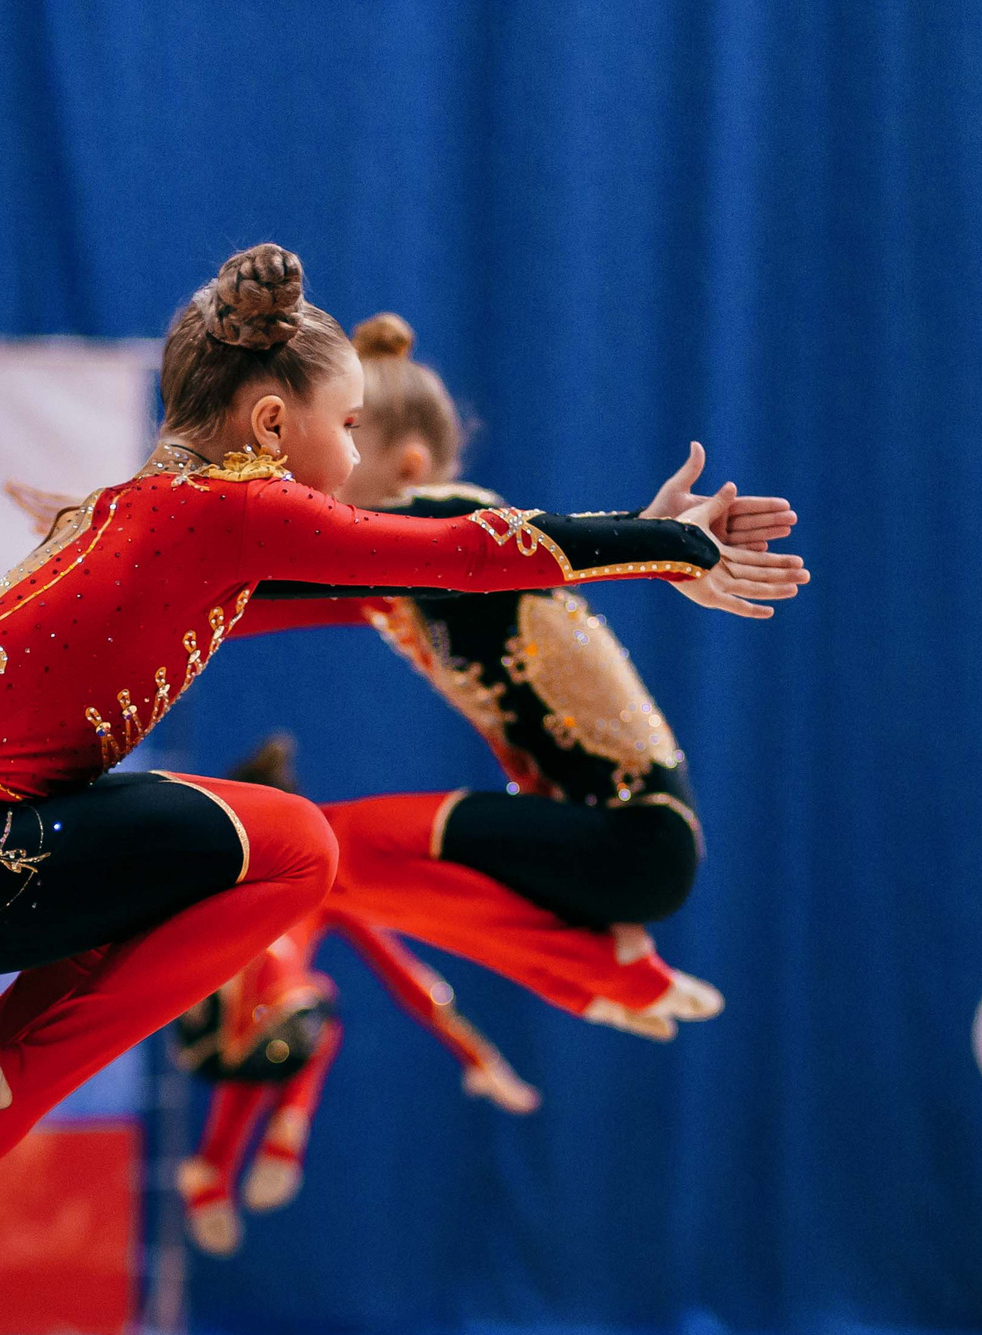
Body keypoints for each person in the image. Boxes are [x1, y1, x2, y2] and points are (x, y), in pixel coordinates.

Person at [0, 242, 805, 1223]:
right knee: (300, 847)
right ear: (273, 424)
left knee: (196, 864)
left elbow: (271, 598)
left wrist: (650, 540)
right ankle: (11, 1083)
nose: (352, 461)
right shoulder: (239, 506)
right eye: (347, 426)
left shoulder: (129, 511)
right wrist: (668, 545)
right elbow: (462, 551)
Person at [231, 312, 799, 1038]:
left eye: (341, 440)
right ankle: (598, 978)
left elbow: (544, 540)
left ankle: (607, 973)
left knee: (325, 845)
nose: (306, 478)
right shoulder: (395, 579)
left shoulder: (451, 521)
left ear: (408, 468)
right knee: (333, 871)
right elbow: (247, 599)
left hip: (631, 838)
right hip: (588, 842)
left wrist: (655, 538)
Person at [170, 735, 538, 1256]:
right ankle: (282, 1131)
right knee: (309, 1002)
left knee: (271, 1030)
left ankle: (213, 1166)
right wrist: (476, 1054)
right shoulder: (293, 878)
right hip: (242, 1031)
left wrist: (476, 1053)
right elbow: (404, 975)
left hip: (221, 1043)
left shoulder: (256, 878)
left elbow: (400, 972)